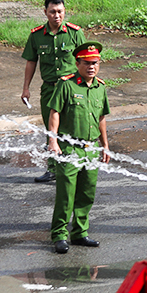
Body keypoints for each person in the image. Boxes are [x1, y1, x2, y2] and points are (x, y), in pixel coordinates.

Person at [45, 42, 110, 254]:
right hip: (69, 147)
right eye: (87, 63)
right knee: (66, 194)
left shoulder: (100, 87)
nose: (92, 67)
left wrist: (105, 145)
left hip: (91, 148)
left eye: (95, 63)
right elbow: (55, 113)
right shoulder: (66, 85)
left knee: (86, 193)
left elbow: (101, 118)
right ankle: (59, 235)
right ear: (77, 63)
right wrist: (52, 141)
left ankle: (80, 233)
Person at [21, 0, 86, 183]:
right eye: (52, 12)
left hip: (71, 88)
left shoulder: (75, 33)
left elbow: (86, 61)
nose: (57, 16)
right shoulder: (36, 35)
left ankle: (77, 166)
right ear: (45, 12)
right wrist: (26, 88)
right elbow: (31, 62)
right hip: (49, 89)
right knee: (52, 130)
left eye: (60, 12)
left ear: (65, 11)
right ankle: (52, 169)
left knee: (73, 126)